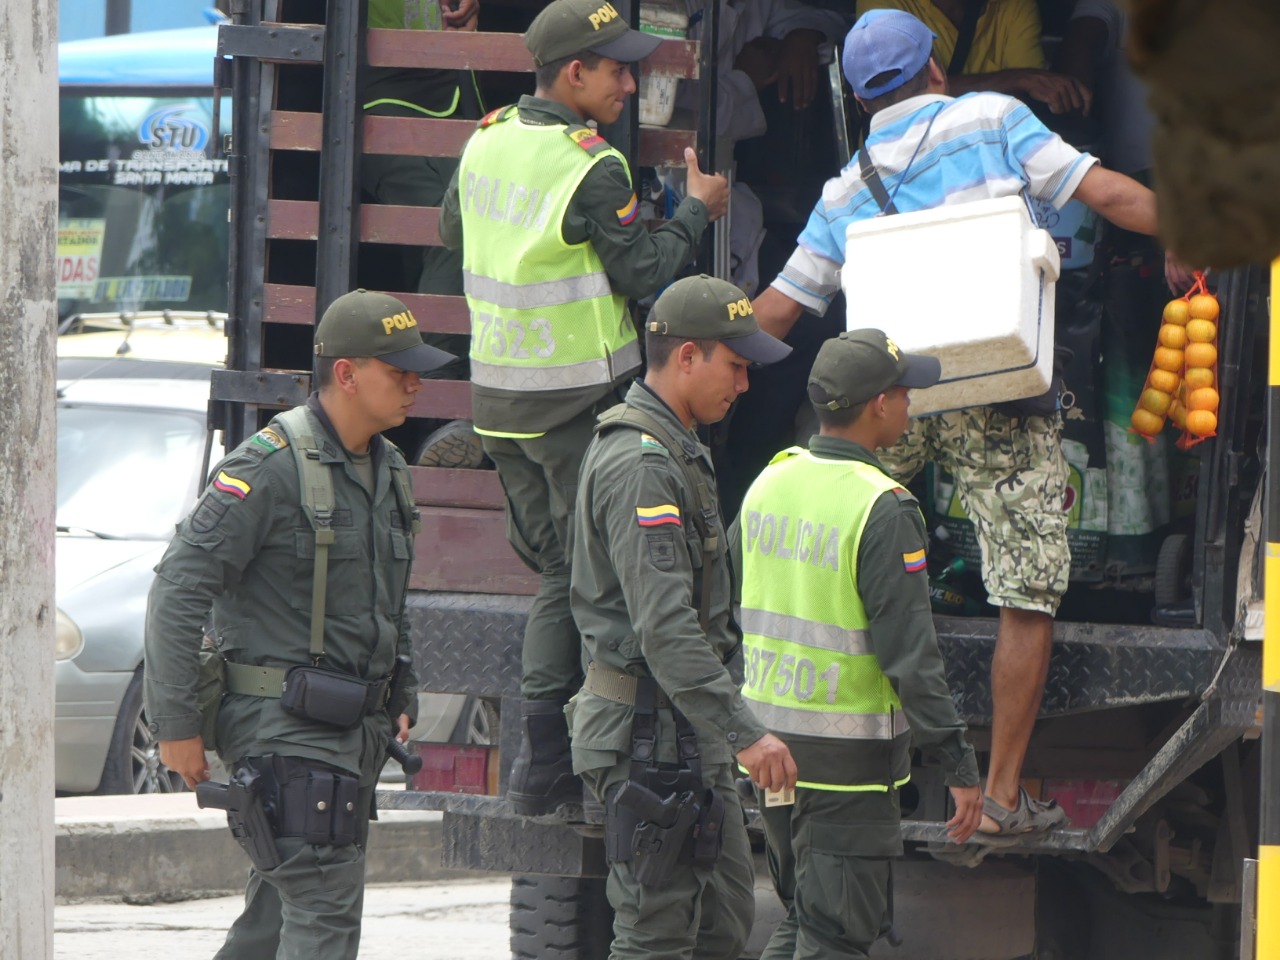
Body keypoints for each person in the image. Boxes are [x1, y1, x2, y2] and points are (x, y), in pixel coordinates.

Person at [752, 9, 1171, 836]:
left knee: (840, 540)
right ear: (937, 71)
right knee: (1025, 592)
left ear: (858, 96)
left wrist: (680, 359)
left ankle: (803, 748)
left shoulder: (847, 184)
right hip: (1000, 385)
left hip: (891, 399)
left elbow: (775, 313)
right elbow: (1109, 195)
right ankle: (1003, 799)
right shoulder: (995, 118)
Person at [438, 0, 730, 816]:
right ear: (574, 72)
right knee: (587, 585)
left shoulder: (485, 139)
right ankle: (562, 762)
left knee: (561, 576)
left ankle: (545, 766)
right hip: (573, 405)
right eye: (616, 68)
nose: (630, 83)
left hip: (498, 401)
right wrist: (699, 209)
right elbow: (647, 279)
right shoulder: (590, 165)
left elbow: (448, 229)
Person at [143, 289, 454, 958]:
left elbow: (385, 600)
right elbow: (177, 587)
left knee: (273, 923)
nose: (414, 384)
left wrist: (400, 693)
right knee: (323, 919)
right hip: (285, 732)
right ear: (346, 373)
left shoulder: (388, 470)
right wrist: (176, 727)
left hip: (351, 736)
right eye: (398, 370)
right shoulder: (270, 466)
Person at [733, 329, 982, 959]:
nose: (909, 406)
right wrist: (958, 764)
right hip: (847, 771)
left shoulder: (770, 481)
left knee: (805, 921)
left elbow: (716, 604)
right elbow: (911, 658)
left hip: (772, 755)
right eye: (904, 394)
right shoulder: (882, 507)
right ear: (877, 405)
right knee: (836, 937)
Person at [569, 274, 796, 959]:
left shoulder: (676, 451)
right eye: (736, 365)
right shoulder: (641, 466)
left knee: (722, 925)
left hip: (683, 731)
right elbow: (665, 630)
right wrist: (747, 735)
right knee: (658, 935)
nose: (746, 385)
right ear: (688, 357)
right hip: (648, 736)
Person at [360, 0, 486, 469]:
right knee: (452, 234)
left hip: (457, 84)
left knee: (462, 240)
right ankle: (442, 416)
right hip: (389, 99)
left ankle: (455, 416)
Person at [854, 0, 1091, 116]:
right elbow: (896, 96)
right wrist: (1016, 79)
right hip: (905, 164)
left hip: (993, 158)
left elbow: (1027, 102)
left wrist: (1023, 81)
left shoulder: (1012, 5)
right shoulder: (884, 4)